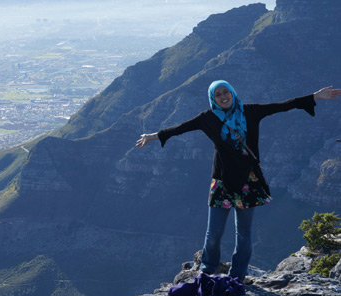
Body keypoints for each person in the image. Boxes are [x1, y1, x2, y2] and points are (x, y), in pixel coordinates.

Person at [136, 80, 341, 280]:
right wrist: (152, 136)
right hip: (222, 181)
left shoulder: (250, 111)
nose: (223, 97)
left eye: (226, 92)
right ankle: (207, 270)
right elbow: (180, 128)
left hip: (247, 181)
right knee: (214, 232)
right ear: (212, 98)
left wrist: (315, 96)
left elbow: (283, 105)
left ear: (232, 93)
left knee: (243, 232)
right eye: (218, 94)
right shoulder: (208, 118)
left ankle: (237, 274)